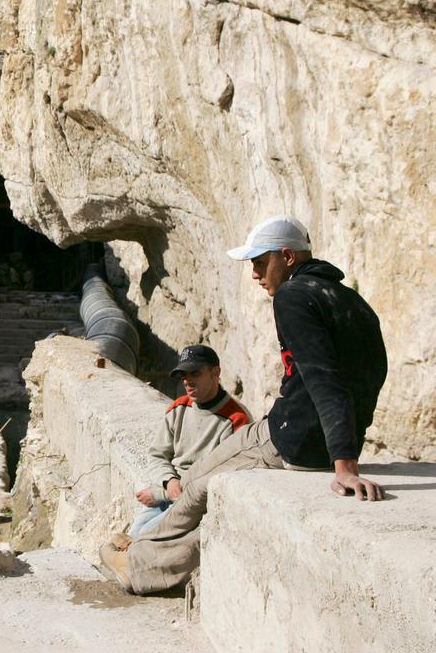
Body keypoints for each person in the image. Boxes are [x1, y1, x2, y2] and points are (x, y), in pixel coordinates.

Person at [99, 215, 388, 594]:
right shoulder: (349, 299)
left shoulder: (292, 295)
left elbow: (323, 377)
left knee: (203, 488)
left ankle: (139, 566)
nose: (254, 274)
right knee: (196, 473)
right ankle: (144, 543)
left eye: (259, 262)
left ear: (286, 256)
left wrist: (344, 465)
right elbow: (371, 373)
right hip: (303, 430)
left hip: (295, 438)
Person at [129, 345, 250, 536]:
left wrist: (165, 493)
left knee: (142, 540)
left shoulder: (236, 419)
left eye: (195, 373)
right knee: (132, 536)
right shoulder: (178, 408)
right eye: (183, 375)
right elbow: (157, 455)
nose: (188, 381)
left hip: (195, 504)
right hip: (170, 492)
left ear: (215, 373)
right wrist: (169, 482)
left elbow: (222, 478)